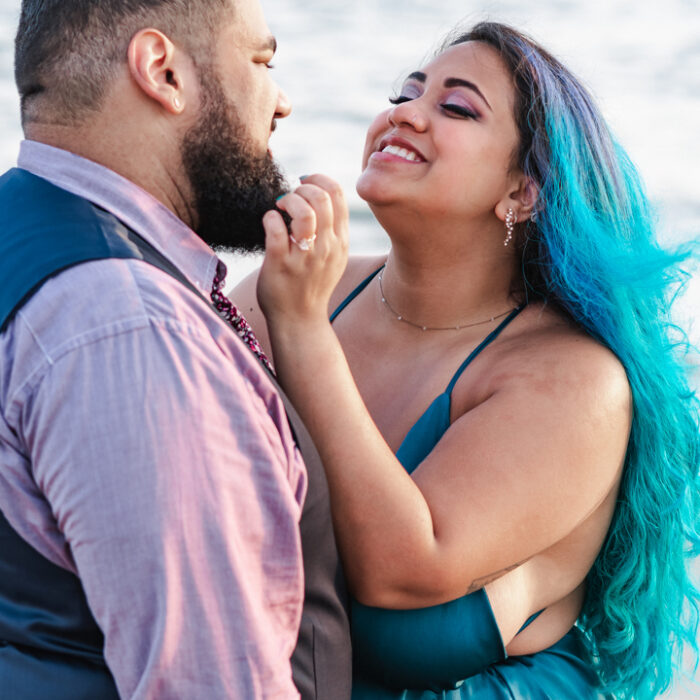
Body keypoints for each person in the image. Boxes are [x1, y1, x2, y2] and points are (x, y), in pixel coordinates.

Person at [235, 21, 700, 699]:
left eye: (455, 108)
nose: (405, 113)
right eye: (406, 92)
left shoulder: (574, 381)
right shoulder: (299, 290)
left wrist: (303, 331)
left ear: (521, 193)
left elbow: (400, 568)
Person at [0, 1, 351, 698]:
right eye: (262, 62)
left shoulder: (21, 233)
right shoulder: (132, 329)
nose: (281, 101)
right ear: (162, 71)